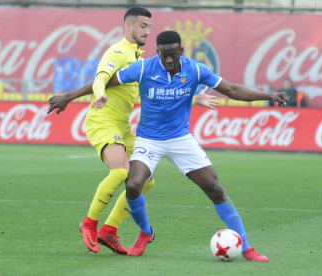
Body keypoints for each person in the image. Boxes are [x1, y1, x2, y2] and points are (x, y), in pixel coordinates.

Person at [91, 30, 288, 261]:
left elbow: (232, 90)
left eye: (173, 55)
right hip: (148, 139)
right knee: (133, 185)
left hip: (179, 139)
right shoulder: (144, 67)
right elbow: (104, 81)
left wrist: (270, 96)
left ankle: (246, 248)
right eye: (164, 55)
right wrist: (69, 96)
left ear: (181, 51)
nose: (168, 60)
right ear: (157, 53)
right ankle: (145, 233)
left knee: (214, 188)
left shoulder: (195, 69)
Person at [47, 7, 218, 255]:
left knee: (145, 182)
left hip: (123, 126)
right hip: (103, 120)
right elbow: (100, 78)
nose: (148, 31)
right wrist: (90, 94)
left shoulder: (139, 58)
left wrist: (193, 99)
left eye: (149, 26)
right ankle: (89, 223)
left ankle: (109, 230)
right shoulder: (118, 51)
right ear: (129, 26)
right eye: (143, 26)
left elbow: (151, 94)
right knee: (121, 171)